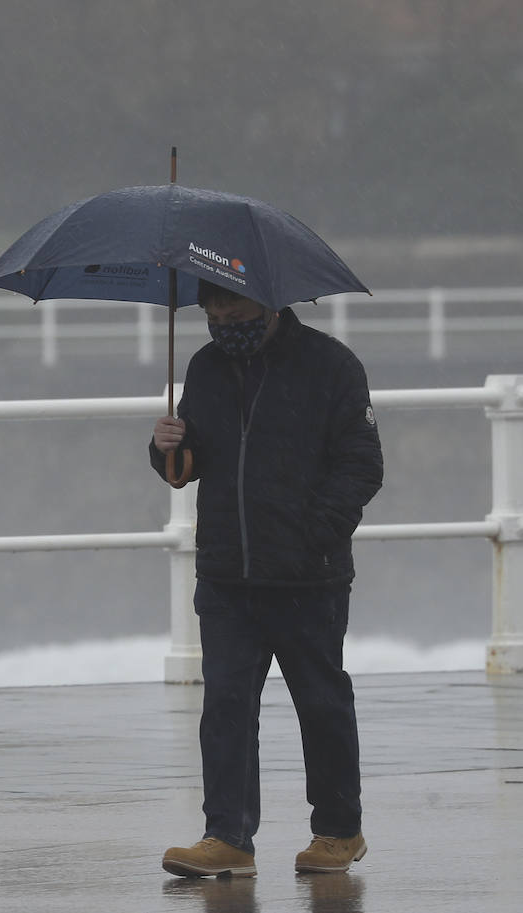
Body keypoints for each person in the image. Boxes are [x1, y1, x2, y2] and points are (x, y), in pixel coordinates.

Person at [150, 279, 383, 878]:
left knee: (322, 705)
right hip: (228, 574)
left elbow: (363, 463)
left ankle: (338, 830)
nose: (224, 316)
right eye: (213, 306)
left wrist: (316, 531)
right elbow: (188, 466)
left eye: (235, 304)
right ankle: (227, 836)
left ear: (273, 300)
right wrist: (167, 448)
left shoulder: (331, 365)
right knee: (225, 706)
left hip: (311, 577)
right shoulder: (202, 367)